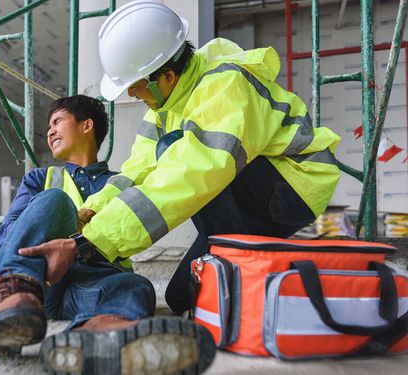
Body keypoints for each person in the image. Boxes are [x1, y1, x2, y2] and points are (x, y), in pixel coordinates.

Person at [26, 0, 342, 318]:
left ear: (167, 76)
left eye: (135, 86)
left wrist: (92, 242)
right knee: (182, 297)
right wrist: (92, 210)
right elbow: (138, 171)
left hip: (291, 187)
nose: (134, 96)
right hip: (248, 193)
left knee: (173, 149)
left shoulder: (225, 85)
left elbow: (193, 174)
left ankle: (247, 268)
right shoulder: (164, 108)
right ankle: (255, 263)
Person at [0, 95, 216, 375]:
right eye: (49, 125)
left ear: (86, 125)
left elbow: (133, 229)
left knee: (134, 285)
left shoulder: (121, 182)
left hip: (91, 283)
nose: (50, 131)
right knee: (56, 201)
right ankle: (9, 300)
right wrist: (69, 221)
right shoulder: (40, 179)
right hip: (37, 282)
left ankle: (96, 333)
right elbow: (10, 232)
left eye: (57, 121)